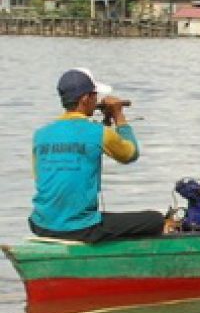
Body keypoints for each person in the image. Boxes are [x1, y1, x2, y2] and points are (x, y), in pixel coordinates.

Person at [30, 68, 167, 243]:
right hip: (80, 228)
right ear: (85, 99)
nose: (97, 100)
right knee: (154, 220)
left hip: (40, 224)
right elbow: (130, 154)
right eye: (94, 96)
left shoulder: (40, 135)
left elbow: (40, 177)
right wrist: (118, 116)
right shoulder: (98, 133)